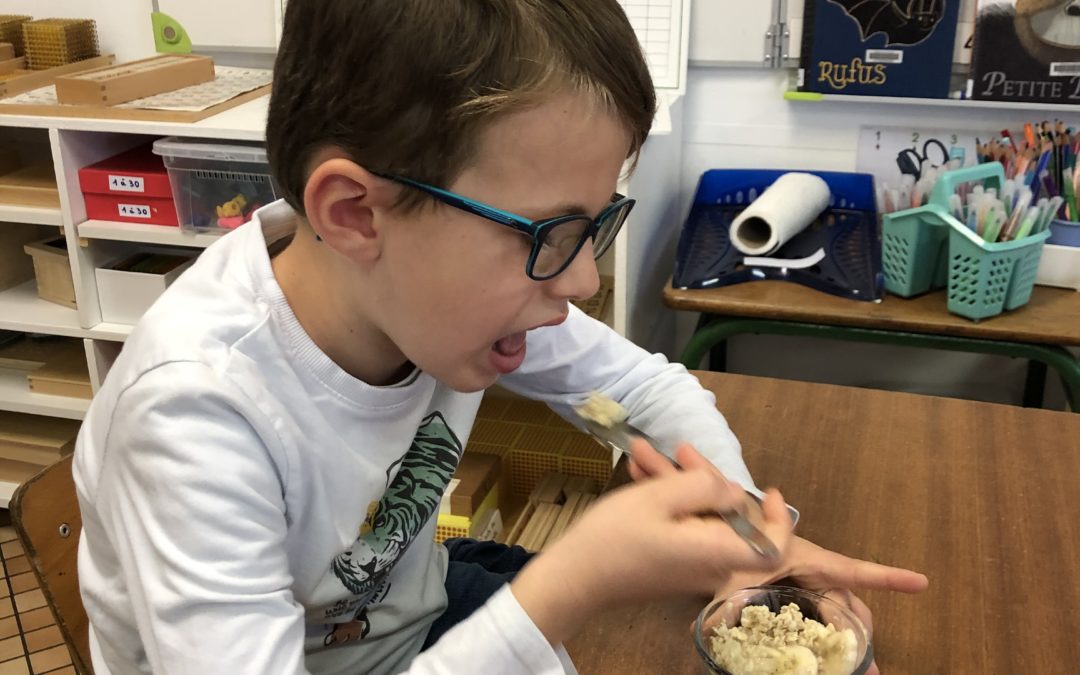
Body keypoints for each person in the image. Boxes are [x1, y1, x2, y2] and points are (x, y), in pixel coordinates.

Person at [72, 1, 928, 673]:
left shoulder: (444, 299)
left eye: (595, 227)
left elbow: (643, 393)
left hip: (411, 611)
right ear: (355, 212)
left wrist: (748, 536)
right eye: (549, 234)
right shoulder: (198, 412)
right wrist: (575, 575)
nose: (584, 281)